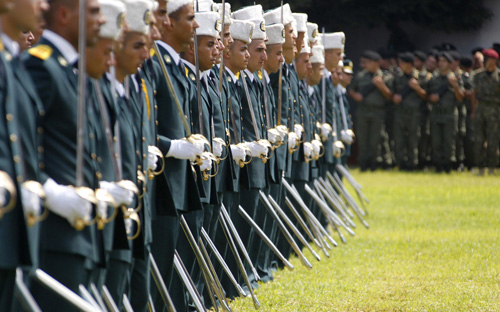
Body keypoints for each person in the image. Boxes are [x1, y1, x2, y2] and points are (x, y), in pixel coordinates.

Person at [23, 0, 105, 309]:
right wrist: (50, 191)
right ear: (63, 14)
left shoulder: (69, 68)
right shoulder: (40, 65)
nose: (101, 21)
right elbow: (21, 144)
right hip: (53, 230)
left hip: (79, 229)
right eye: (93, 12)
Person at [349, 50, 392, 171]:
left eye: (369, 62)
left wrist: (381, 86)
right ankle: (363, 163)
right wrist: (355, 95)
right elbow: (351, 89)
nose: (366, 65)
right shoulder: (360, 76)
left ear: (377, 63)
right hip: (363, 111)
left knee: (376, 139)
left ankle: (374, 163)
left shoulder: (386, 77)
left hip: (378, 111)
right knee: (362, 138)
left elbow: (390, 96)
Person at [426, 52, 464, 173]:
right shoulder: (433, 78)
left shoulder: (455, 78)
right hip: (436, 113)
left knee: (449, 141)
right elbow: (426, 94)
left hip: (449, 113)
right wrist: (431, 98)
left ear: (449, 63)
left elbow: (460, 97)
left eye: (444, 61)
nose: (441, 63)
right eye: (440, 61)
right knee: (436, 140)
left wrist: (455, 86)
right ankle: (438, 165)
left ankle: (448, 165)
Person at [391, 52, 427, 171]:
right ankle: (401, 163)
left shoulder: (421, 77)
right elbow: (392, 93)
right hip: (400, 112)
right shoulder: (397, 77)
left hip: (414, 113)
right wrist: (394, 97)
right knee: (399, 138)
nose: (400, 65)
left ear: (409, 64)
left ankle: (413, 163)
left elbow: (426, 96)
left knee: (413, 139)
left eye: (402, 63)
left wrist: (417, 88)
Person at [472, 48, 500, 175]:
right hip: (480, 108)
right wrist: (473, 110)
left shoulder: (498, 75)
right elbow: (473, 93)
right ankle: (480, 167)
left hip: (495, 109)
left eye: (493, 60)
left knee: (493, 139)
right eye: (489, 60)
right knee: (478, 138)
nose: (491, 63)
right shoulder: (478, 75)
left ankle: (492, 167)